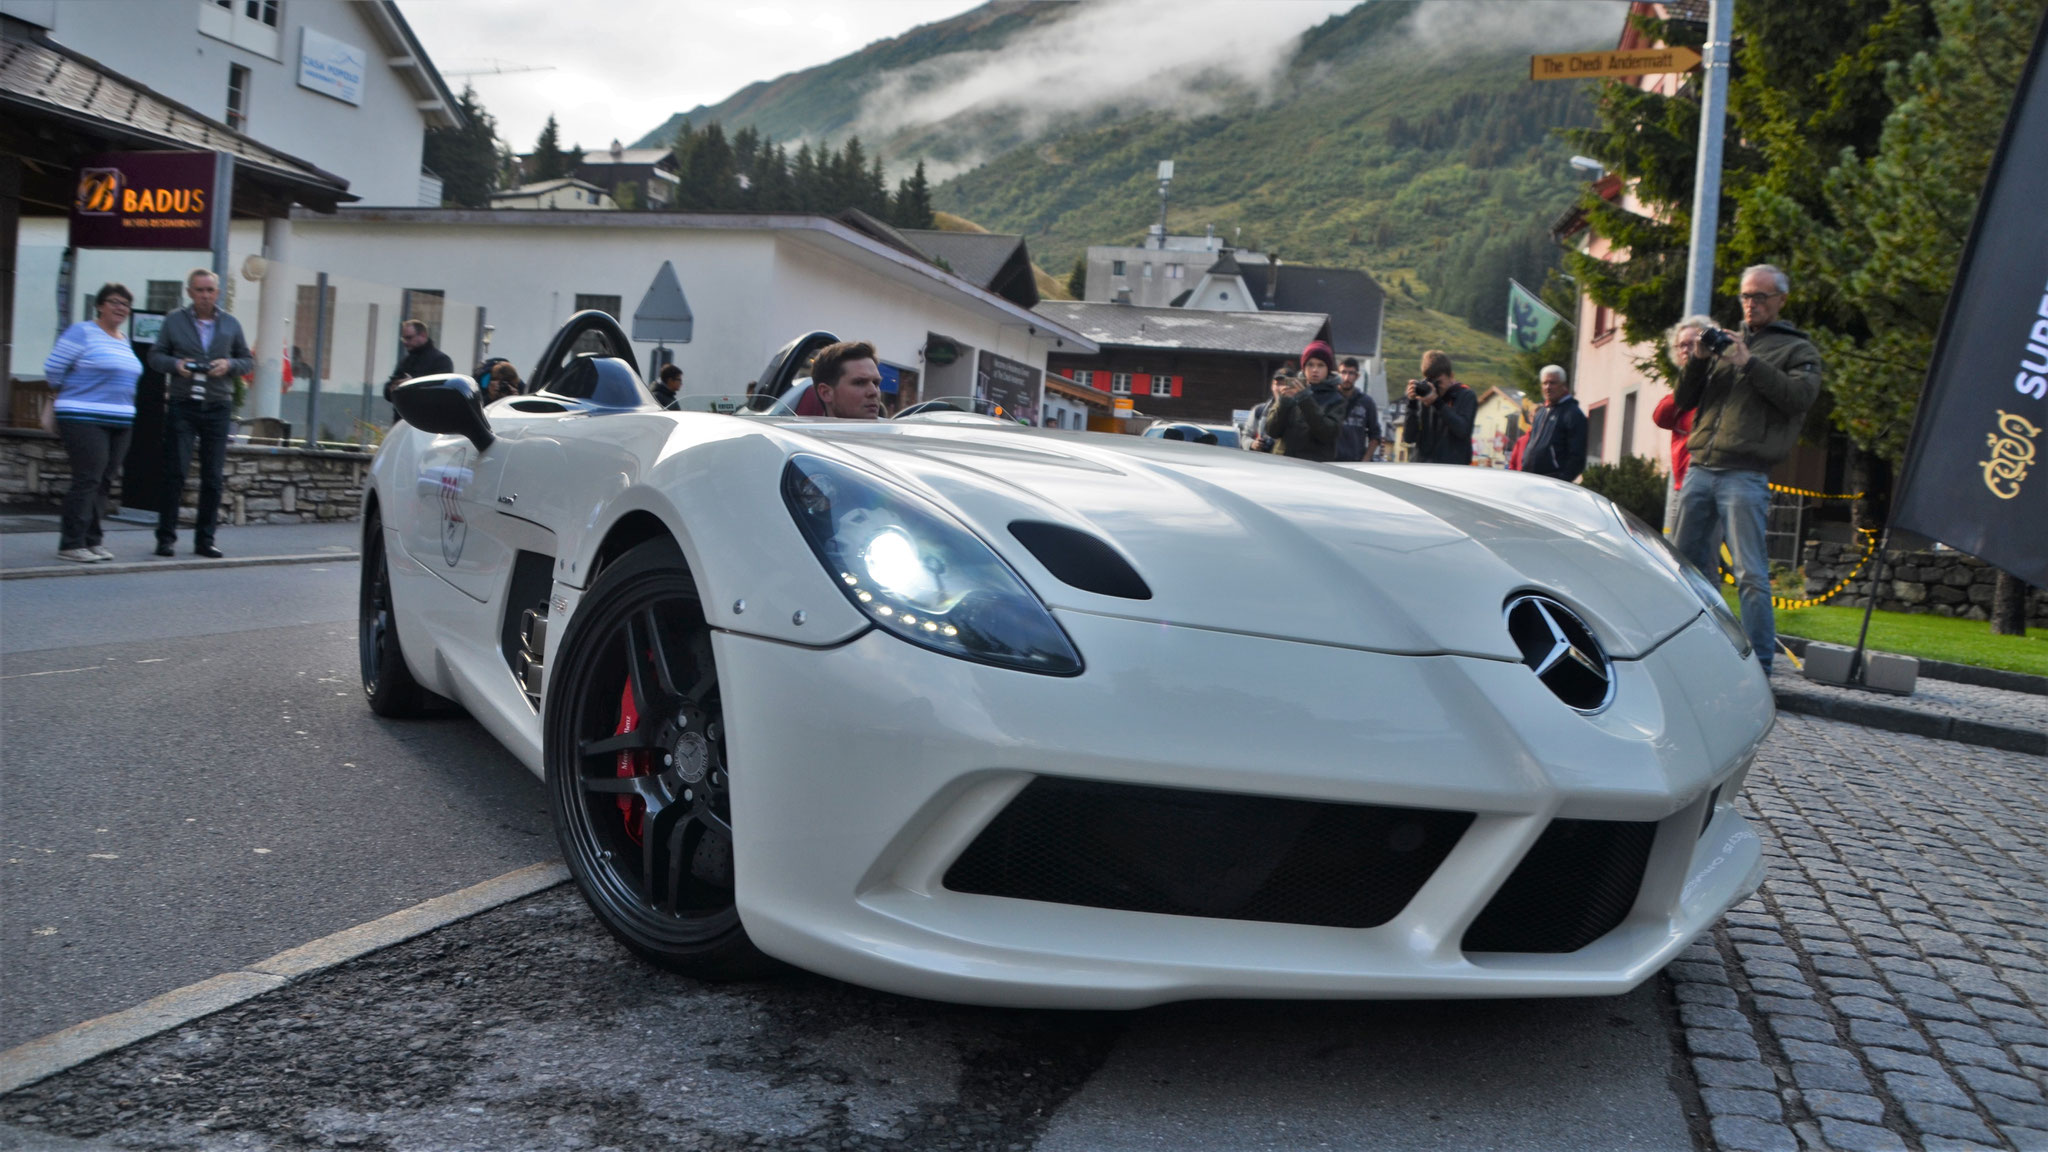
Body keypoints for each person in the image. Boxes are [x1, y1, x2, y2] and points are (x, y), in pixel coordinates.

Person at [1671, 265, 1823, 672]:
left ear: (1781, 301)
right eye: (1745, 296)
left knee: (1750, 574)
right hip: (1701, 467)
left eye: (1760, 296)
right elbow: (1683, 401)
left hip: (1746, 474)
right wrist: (1700, 360)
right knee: (1683, 567)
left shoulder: (1798, 351)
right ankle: (1690, 653)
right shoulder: (1723, 346)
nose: (1750, 304)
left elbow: (1798, 398)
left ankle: (1759, 663)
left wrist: (1748, 362)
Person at [149, 268, 251, 559]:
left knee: (213, 477)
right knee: (175, 473)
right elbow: (155, 356)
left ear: (217, 293)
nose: (205, 295)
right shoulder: (174, 321)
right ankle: (165, 538)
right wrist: (176, 365)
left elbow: (246, 360)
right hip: (183, 404)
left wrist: (228, 366)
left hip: (218, 406)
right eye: (199, 290)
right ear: (189, 292)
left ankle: (205, 540)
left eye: (210, 290)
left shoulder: (230, 324)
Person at [45, 283, 142, 563]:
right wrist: (67, 392)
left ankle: (92, 540)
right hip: (82, 416)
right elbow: (53, 367)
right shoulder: (82, 332)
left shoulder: (122, 339)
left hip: (120, 419)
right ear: (100, 305)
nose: (120, 308)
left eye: (125, 304)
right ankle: (71, 543)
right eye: (114, 302)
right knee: (88, 478)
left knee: (105, 481)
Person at [1654, 315, 1716, 494]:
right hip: (1685, 484)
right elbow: (1660, 417)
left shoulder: (1716, 383)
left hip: (1710, 481)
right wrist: (1687, 386)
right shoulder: (1681, 391)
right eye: (1682, 345)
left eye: (1692, 343)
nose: (1686, 350)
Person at [1260, 340, 1345, 461]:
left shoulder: (1336, 399)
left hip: (1314, 466)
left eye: (1321, 365)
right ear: (1304, 368)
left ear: (1328, 369)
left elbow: (1328, 434)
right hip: (1283, 463)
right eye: (1310, 364)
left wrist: (1305, 399)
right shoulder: (1290, 390)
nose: (1315, 370)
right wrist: (1283, 403)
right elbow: (1272, 431)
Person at [1402, 350, 1477, 465]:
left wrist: (1437, 403)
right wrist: (1411, 404)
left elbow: (1463, 430)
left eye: (1439, 382)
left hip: (1452, 469)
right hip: (1422, 466)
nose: (1435, 387)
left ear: (1451, 376)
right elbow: (1409, 438)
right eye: (1431, 381)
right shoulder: (1424, 395)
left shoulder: (1466, 396)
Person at [1515, 364, 1588, 481]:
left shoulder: (1573, 414)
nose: (1548, 387)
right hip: (1530, 478)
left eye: (1552, 383)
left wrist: (1563, 480)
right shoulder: (1541, 412)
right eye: (1545, 383)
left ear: (1563, 385)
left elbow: (1577, 456)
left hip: (1552, 483)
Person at [809, 340, 884, 419]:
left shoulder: (894, 429)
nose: (874, 392)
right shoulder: (799, 430)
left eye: (876, 383)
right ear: (826, 393)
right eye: (860, 383)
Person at [383, 319, 453, 402]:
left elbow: (441, 390)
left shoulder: (441, 360)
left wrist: (412, 384)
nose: (405, 342)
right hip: (404, 413)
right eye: (403, 338)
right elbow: (389, 389)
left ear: (423, 335)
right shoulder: (406, 361)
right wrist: (392, 388)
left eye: (409, 338)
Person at [1333, 355, 1382, 462]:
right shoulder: (1329, 398)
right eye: (1343, 372)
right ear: (1337, 374)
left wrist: (1366, 459)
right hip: (1330, 460)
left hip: (1355, 462)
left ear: (1357, 376)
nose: (1346, 377)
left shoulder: (1366, 402)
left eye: (1351, 373)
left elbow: (1375, 435)